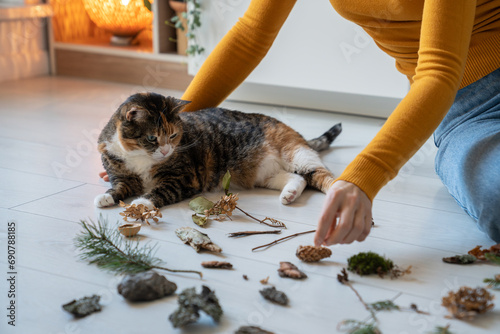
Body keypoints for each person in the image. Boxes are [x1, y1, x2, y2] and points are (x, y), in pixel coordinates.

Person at [102, 0, 500, 244]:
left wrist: (365, 176)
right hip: (476, 109)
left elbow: (439, 68)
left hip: (450, 80)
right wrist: (159, 153)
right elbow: (250, 35)